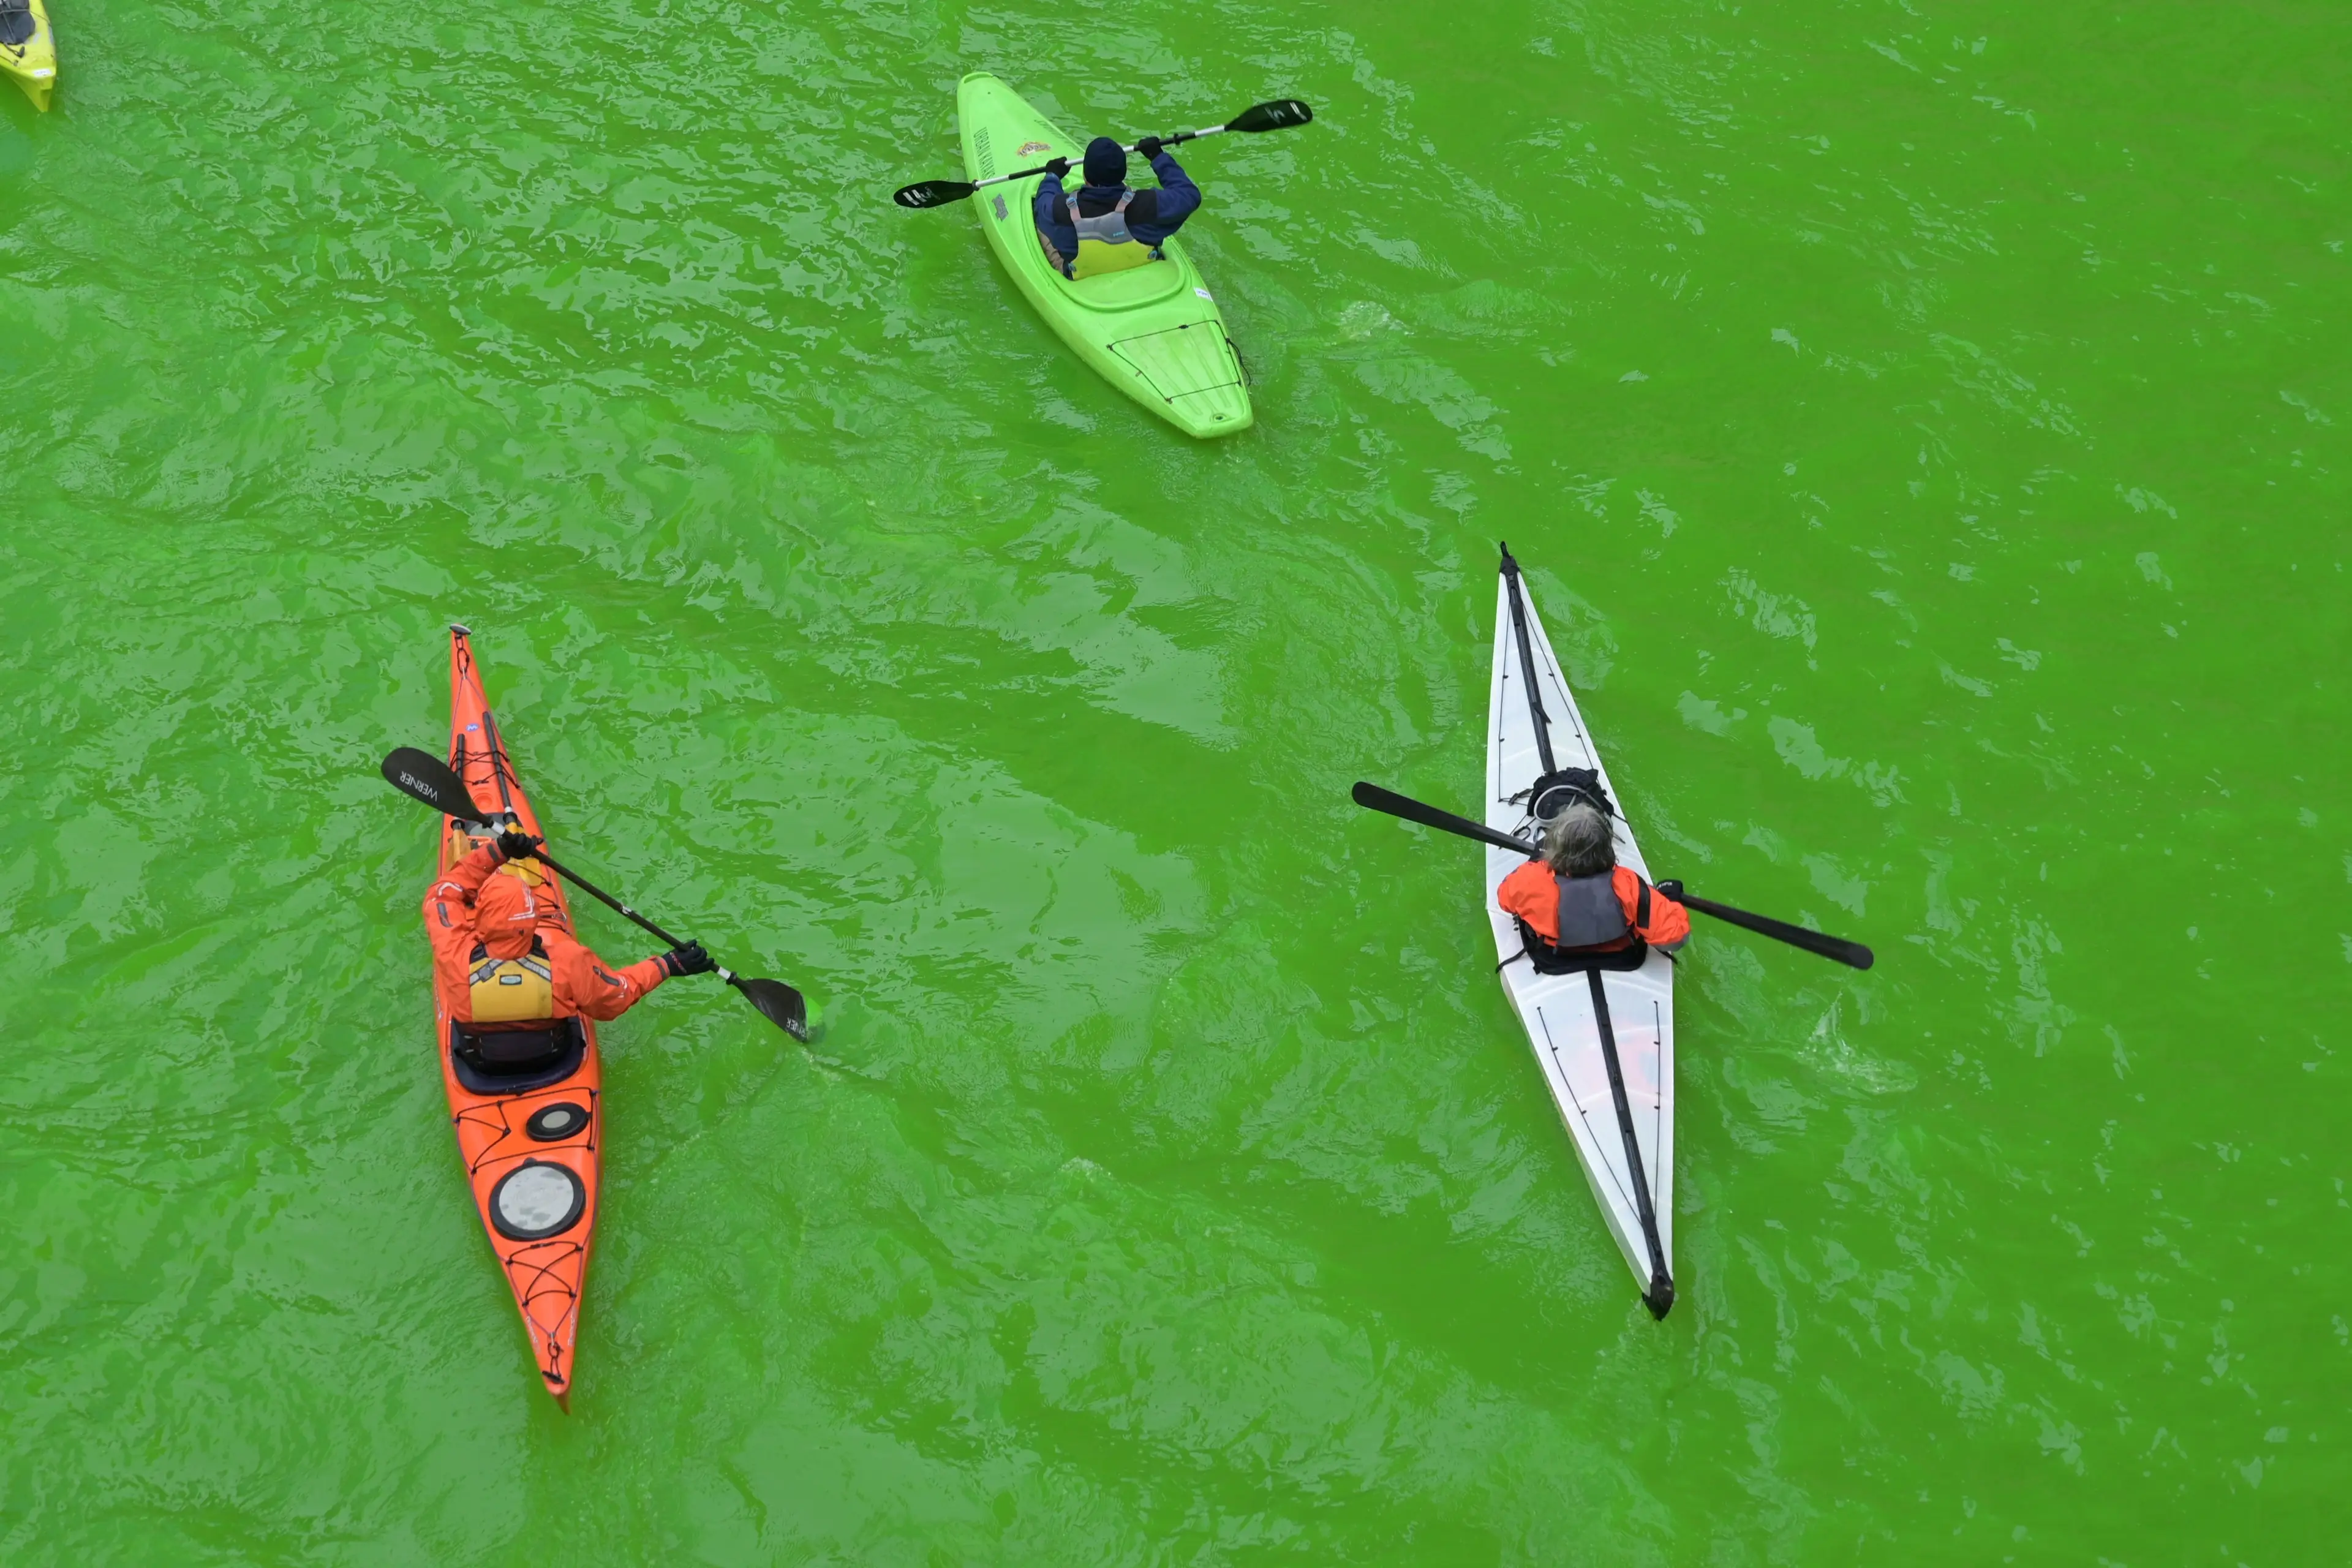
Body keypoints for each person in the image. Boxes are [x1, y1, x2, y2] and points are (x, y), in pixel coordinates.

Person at [424, 827, 714, 1034]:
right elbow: (616, 998)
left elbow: (441, 895)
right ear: (534, 917)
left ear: (481, 917)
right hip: (548, 1058)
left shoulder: (454, 954)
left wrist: (498, 851)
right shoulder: (568, 961)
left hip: (482, 1065)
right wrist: (668, 966)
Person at [1496, 802, 1690, 966]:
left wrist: (1535, 866)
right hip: (1619, 956)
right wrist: (1668, 903)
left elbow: (1504, 902)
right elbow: (1676, 939)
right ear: (1607, 846)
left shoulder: (1530, 879)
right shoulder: (1630, 885)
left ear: (1556, 846)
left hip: (1555, 956)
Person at [1033, 134, 1202, 281]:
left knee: (1038, 221)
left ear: (1085, 175)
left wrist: (1052, 177)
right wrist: (1158, 157)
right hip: (1141, 265)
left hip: (1081, 275)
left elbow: (1042, 204)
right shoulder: (1150, 205)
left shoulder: (1059, 210)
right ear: (1123, 172)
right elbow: (1190, 195)